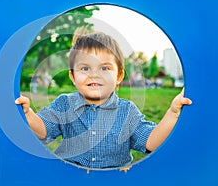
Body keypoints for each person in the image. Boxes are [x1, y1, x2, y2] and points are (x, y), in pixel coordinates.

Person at [15, 32, 192, 169]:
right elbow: (43, 131)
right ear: (73, 76)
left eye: (105, 68)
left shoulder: (127, 111)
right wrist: (27, 114)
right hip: (69, 179)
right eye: (85, 68)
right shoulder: (64, 104)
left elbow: (151, 142)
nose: (94, 74)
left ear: (119, 76)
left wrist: (173, 113)